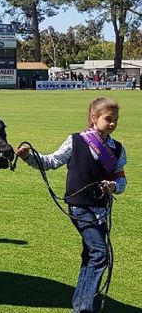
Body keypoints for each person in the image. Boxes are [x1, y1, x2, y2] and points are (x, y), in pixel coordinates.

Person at [16, 97, 126, 313]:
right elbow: (51, 161)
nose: (112, 123)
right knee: (100, 253)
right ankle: (85, 308)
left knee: (90, 255)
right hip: (79, 206)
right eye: (108, 119)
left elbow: (122, 180)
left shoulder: (117, 148)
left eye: (116, 120)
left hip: (101, 210)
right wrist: (29, 157)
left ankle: (79, 303)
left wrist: (113, 186)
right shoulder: (76, 140)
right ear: (94, 118)